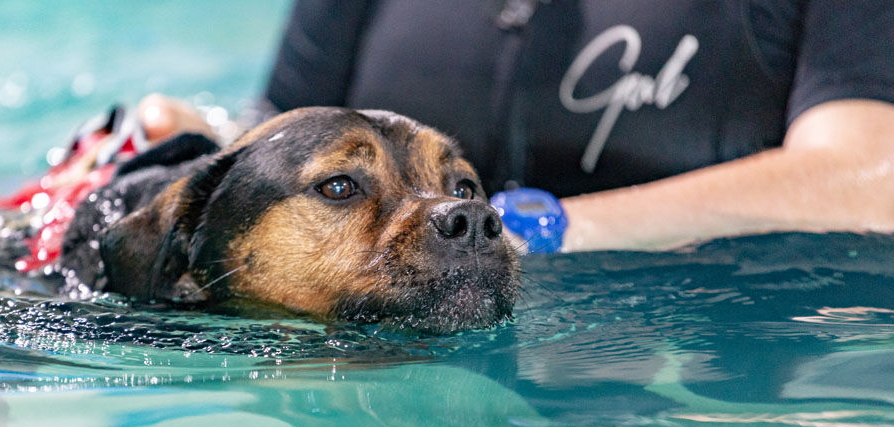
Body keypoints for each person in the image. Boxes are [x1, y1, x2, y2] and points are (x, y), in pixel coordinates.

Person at [138, 0, 894, 252]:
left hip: (691, 370)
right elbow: (281, 132)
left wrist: (531, 235)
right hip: (384, 342)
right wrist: (198, 141)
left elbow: (870, 177)